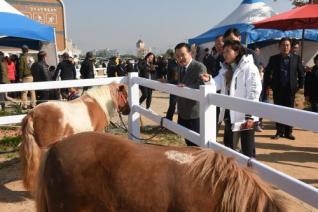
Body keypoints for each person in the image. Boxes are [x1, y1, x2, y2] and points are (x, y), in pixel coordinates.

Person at [201, 40, 262, 158]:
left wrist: (250, 115)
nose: (224, 54)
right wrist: (209, 80)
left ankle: (248, 175)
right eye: (223, 52)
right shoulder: (225, 68)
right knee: (229, 147)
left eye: (227, 51)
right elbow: (217, 83)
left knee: (247, 150)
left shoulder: (249, 67)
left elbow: (254, 91)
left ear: (237, 51)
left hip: (246, 116)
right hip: (229, 114)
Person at [264, 37, 304, 140]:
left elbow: (301, 73)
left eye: (287, 45)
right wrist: (269, 84)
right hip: (278, 88)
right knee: (278, 110)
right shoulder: (274, 58)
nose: (285, 47)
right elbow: (267, 72)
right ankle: (279, 131)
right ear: (279, 46)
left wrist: (299, 86)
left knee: (290, 110)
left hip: (290, 89)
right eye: (283, 45)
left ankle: (288, 132)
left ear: (290, 47)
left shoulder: (296, 58)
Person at [175, 43, 207, 146]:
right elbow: (179, 83)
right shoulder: (180, 67)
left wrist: (187, 87)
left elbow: (201, 85)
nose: (180, 58)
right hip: (183, 110)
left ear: (190, 53)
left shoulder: (199, 67)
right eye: (177, 56)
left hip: (194, 113)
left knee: (196, 144)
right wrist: (167, 81)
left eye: (182, 55)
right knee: (187, 141)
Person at [19, 45, 36, 109]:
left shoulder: (22, 58)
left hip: (25, 76)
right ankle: (33, 104)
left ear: (22, 50)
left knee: (24, 91)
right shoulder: (31, 57)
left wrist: (20, 77)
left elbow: (21, 68)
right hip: (31, 76)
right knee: (32, 91)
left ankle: (24, 105)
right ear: (28, 50)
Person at [165, 51, 180, 121]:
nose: (178, 56)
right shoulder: (171, 63)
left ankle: (181, 123)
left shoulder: (183, 62)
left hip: (183, 86)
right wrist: (169, 84)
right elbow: (168, 75)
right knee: (172, 104)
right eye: (176, 55)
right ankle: (168, 119)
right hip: (173, 85)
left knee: (182, 105)